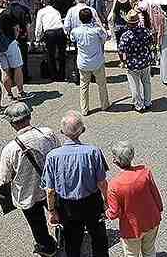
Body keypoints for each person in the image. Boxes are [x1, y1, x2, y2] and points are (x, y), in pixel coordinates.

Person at [0, 102, 60, 257]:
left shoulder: (10, 149)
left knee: (37, 224)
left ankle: (47, 248)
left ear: (12, 124)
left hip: (28, 194)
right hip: (52, 187)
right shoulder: (47, 133)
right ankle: (67, 235)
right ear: (29, 116)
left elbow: (4, 177)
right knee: (60, 213)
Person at [44, 110, 110, 257]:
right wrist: (106, 201)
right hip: (92, 202)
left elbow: (50, 190)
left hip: (67, 206)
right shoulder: (93, 152)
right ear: (83, 130)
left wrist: (52, 210)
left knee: (71, 242)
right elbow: (102, 182)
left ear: (62, 131)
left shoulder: (52, 156)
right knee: (99, 239)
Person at [105, 141, 164, 257]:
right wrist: (159, 209)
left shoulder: (114, 185)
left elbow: (114, 213)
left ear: (115, 161)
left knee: (131, 254)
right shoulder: (145, 172)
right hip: (151, 219)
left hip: (131, 228)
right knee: (150, 250)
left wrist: (105, 213)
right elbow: (155, 194)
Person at [71, 7, 111, 115]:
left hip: (83, 62)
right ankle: (104, 104)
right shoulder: (96, 30)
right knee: (102, 84)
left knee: (84, 86)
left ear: (80, 19)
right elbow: (105, 38)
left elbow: (72, 39)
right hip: (97, 61)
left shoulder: (75, 31)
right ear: (91, 18)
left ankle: (84, 109)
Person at [118, 10, 155, 112]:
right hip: (145, 61)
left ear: (128, 22)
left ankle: (138, 105)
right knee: (146, 82)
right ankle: (147, 102)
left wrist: (123, 61)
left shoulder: (126, 35)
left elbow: (121, 51)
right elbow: (151, 43)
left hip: (132, 63)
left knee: (135, 85)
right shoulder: (146, 31)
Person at [36, 0, 67, 81]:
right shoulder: (56, 11)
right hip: (60, 31)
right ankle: (62, 75)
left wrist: (38, 38)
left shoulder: (41, 12)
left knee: (50, 54)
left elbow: (38, 27)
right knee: (62, 54)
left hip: (49, 33)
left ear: (43, 2)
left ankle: (53, 75)